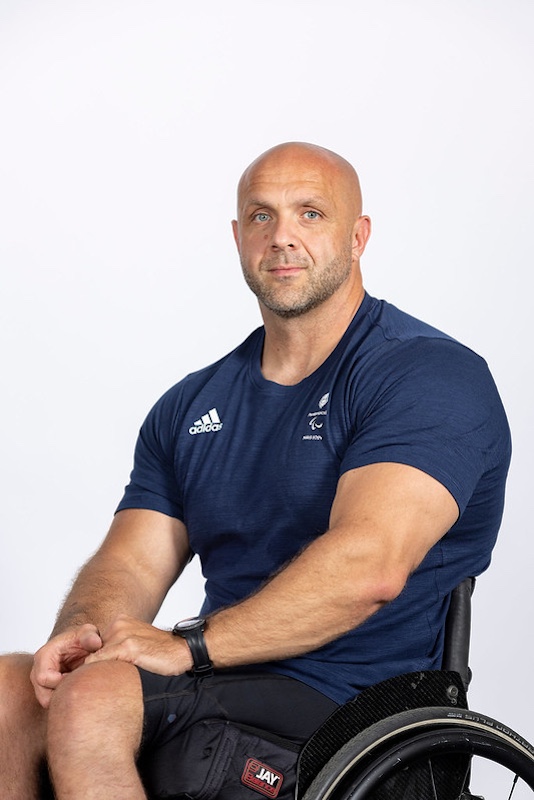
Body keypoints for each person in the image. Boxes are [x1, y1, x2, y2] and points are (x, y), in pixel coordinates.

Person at [0, 142, 511, 800]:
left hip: (356, 707)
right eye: (262, 217)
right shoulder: (193, 405)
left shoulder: (427, 376)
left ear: (358, 236)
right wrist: (82, 638)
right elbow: (129, 564)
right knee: (15, 693)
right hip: (224, 684)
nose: (284, 237)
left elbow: (369, 567)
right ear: (239, 238)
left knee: (95, 698)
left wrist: (187, 648)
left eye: (310, 214)